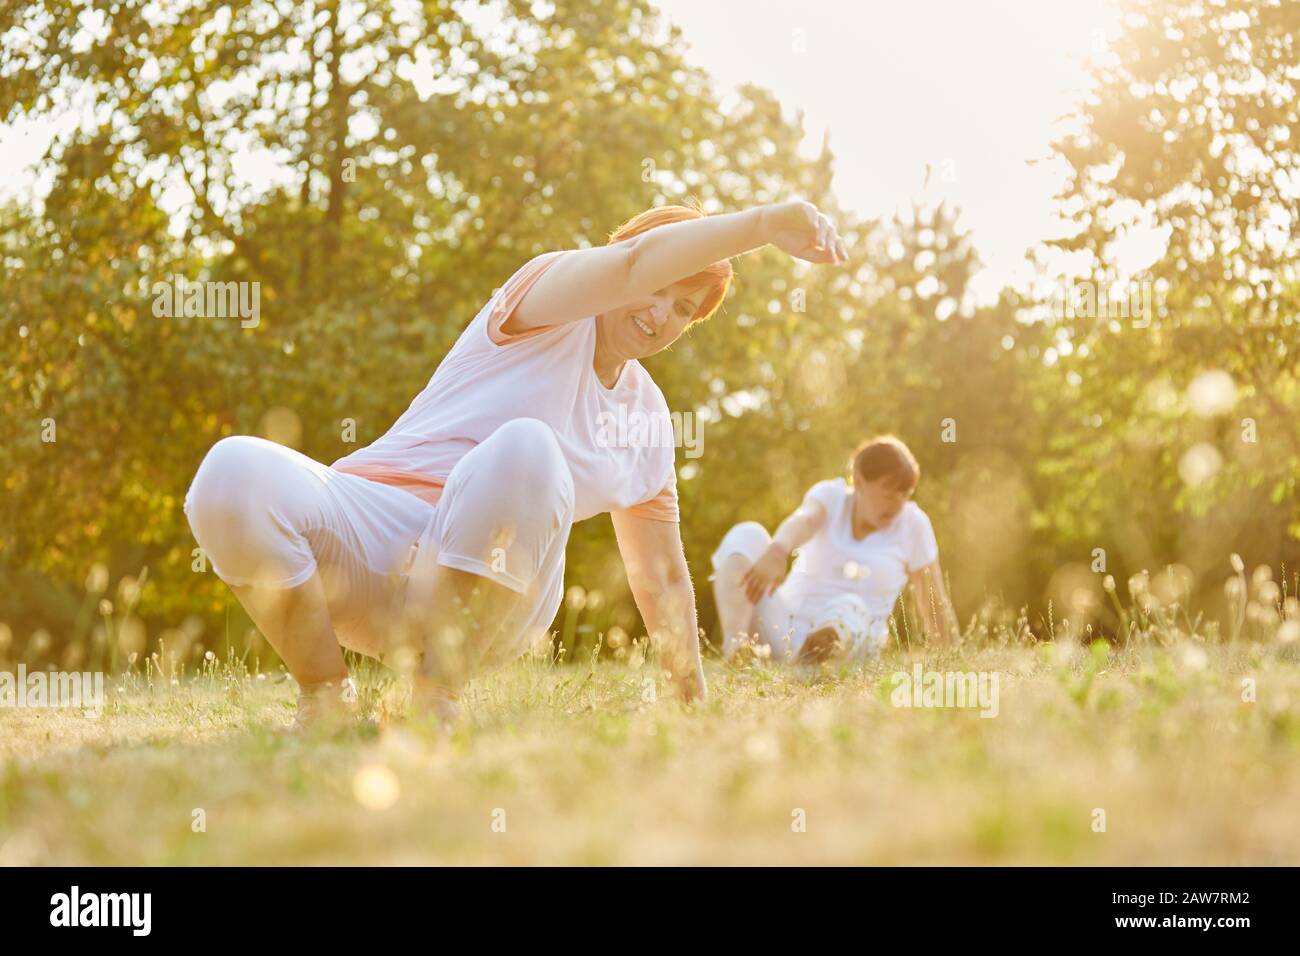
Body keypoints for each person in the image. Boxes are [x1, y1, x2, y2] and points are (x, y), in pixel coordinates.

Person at [183, 200, 849, 726]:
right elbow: (629, 268)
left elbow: (662, 575)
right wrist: (764, 224)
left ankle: (431, 699)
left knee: (528, 447)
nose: (660, 316)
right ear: (628, 260)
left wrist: (693, 705)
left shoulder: (646, 419)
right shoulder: (545, 301)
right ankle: (325, 700)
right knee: (232, 470)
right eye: (662, 290)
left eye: (683, 311)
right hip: (371, 545)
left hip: (496, 596)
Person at [710, 435, 956, 664]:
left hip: (851, 640)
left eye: (905, 494)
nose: (898, 503)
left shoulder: (914, 523)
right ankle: (737, 649)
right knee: (747, 533)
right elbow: (805, 520)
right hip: (785, 629)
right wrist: (777, 551)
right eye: (889, 493)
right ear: (859, 481)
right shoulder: (831, 496)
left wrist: (949, 658)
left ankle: (816, 659)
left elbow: (933, 596)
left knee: (849, 605)